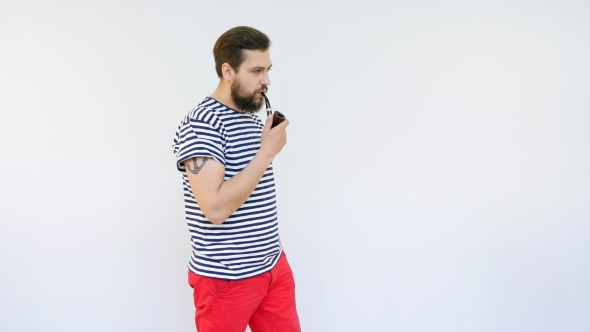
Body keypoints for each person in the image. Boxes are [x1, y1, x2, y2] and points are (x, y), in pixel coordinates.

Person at [171, 26, 301, 332]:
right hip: (226, 279)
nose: (266, 80)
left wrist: (273, 251)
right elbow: (215, 209)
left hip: (272, 267)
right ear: (228, 71)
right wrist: (266, 153)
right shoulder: (202, 123)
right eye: (256, 70)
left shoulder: (248, 116)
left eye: (267, 70)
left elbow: (254, 191)